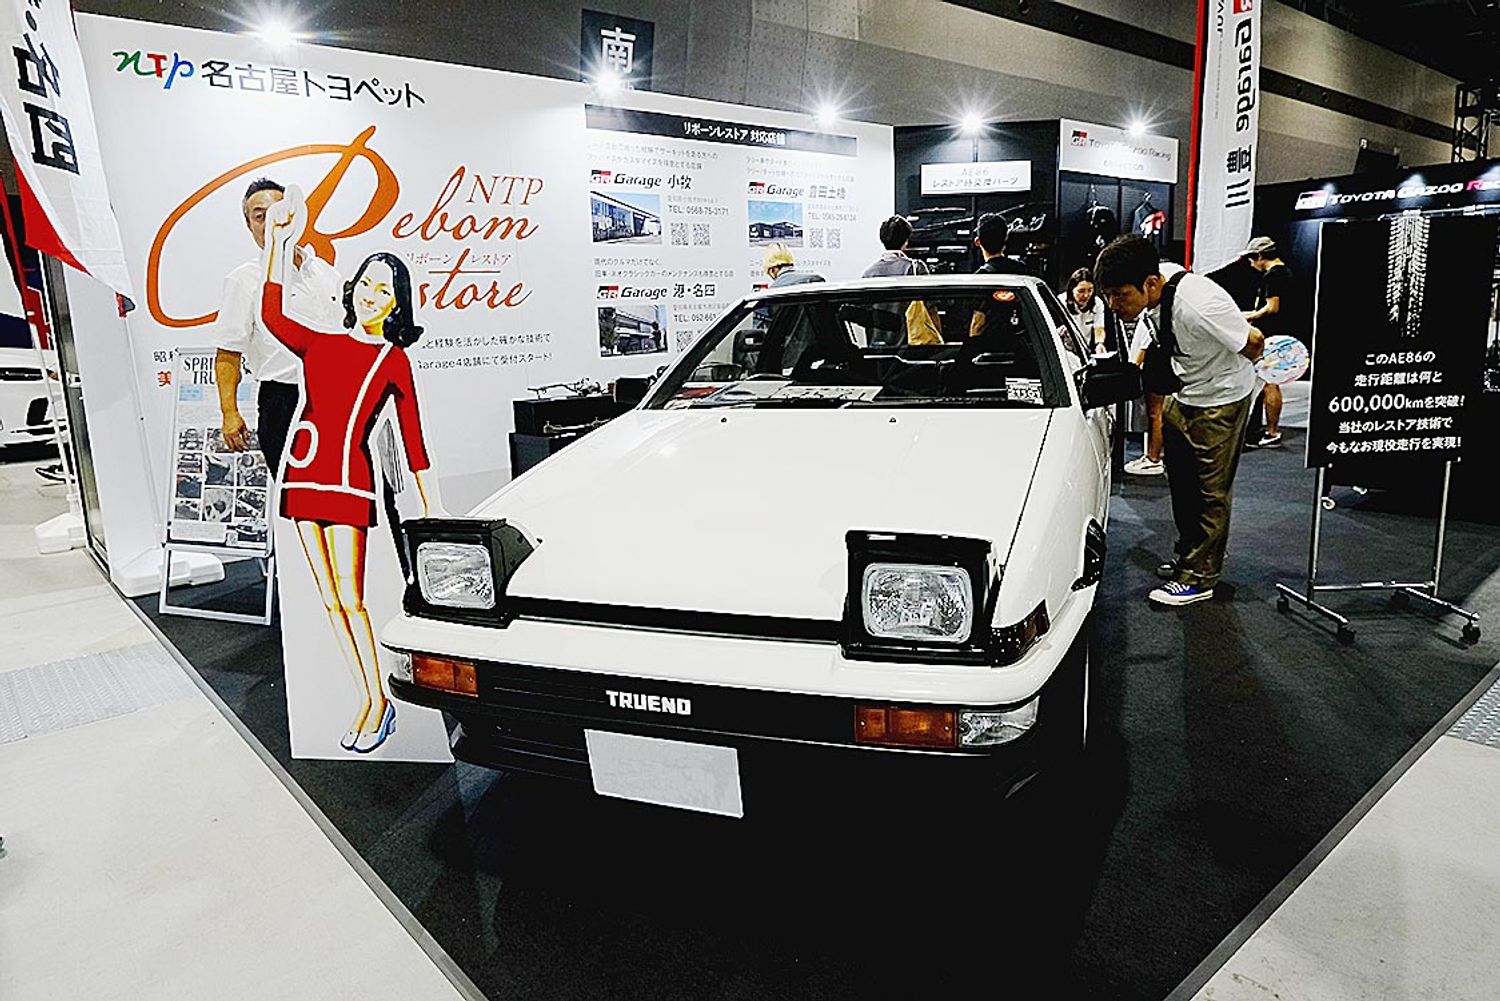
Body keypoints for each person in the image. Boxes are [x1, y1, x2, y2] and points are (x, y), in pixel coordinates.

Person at [261, 186, 437, 754]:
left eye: (384, 289)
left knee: (353, 597)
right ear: (352, 288)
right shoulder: (320, 343)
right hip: (302, 476)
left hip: (347, 482)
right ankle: (367, 697)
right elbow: (270, 314)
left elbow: (413, 439)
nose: (370, 295)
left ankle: (379, 701)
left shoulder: (392, 359)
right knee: (330, 600)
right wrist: (279, 242)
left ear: (397, 304)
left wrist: (433, 508)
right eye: (365, 283)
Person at [1096, 235, 1265, 606]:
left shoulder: (1198, 304)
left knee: (1210, 491)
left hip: (1220, 399)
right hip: (1184, 393)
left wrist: (1225, 376)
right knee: (1183, 482)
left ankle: (1200, 576)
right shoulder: (1156, 286)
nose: (1114, 305)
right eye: (1107, 296)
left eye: (1120, 295)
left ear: (1149, 284)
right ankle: (1189, 557)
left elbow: (1254, 342)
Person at [213, 178, 342, 475]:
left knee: (366, 489)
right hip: (285, 402)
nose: (272, 222)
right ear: (249, 225)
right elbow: (228, 352)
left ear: (295, 216)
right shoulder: (244, 280)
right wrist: (229, 412)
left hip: (340, 395)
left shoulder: (324, 271)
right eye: (260, 216)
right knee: (301, 495)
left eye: (279, 212)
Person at [1242, 236, 1295, 449]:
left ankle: (1272, 431)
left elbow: (1272, 308)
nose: (1250, 263)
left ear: (1259, 256)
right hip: (1281, 333)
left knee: (1269, 382)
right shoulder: (1285, 271)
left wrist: (1250, 316)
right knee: (1270, 381)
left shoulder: (1273, 275)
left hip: (1272, 335)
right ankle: (1268, 429)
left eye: (1251, 258)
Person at [1064, 267, 1107, 354]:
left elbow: (1099, 328)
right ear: (1072, 289)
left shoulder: (1097, 303)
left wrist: (1099, 344)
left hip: (1084, 350)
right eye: (1081, 291)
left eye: (1090, 290)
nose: (1086, 295)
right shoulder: (1061, 302)